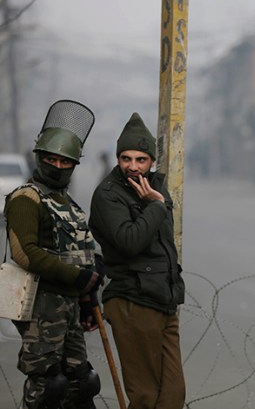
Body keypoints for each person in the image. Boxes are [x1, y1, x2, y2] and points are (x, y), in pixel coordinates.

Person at [3, 99, 103, 409]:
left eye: (65, 162)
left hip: (70, 306)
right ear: (38, 158)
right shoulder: (25, 199)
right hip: (40, 307)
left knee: (82, 383)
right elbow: (26, 254)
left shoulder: (69, 204)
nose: (57, 167)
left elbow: (85, 251)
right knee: (49, 385)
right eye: (51, 160)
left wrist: (89, 295)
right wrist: (79, 277)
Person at [88, 112, 185, 409]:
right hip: (133, 299)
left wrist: (157, 201)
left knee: (172, 396)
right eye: (126, 158)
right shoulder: (108, 195)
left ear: (151, 161)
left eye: (140, 159)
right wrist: (156, 205)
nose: (132, 166)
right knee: (144, 396)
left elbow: (164, 245)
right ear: (118, 159)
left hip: (163, 300)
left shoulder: (154, 186)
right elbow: (129, 242)